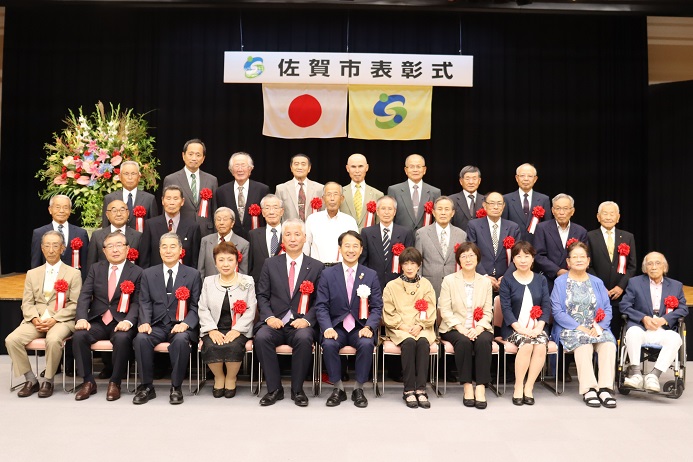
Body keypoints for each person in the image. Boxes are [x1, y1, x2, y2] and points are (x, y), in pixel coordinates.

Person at [254, 218, 324, 407]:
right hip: (274, 322)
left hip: (300, 323)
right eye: (288, 234)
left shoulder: (317, 266)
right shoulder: (270, 264)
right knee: (261, 338)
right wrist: (268, 317)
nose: (292, 238)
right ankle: (274, 389)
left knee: (303, 338)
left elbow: (321, 301)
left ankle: (297, 390)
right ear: (282, 239)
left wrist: (308, 321)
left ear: (304, 238)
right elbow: (262, 295)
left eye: (297, 234)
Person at [6, 231, 81, 398]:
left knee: (53, 340)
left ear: (63, 248)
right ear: (41, 248)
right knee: (11, 340)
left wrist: (54, 319)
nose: (51, 249)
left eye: (55, 245)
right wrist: (34, 318)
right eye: (47, 245)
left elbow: (75, 304)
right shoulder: (32, 273)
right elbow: (26, 302)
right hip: (37, 320)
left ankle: (48, 380)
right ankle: (31, 379)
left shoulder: (73, 274)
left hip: (61, 320)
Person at [314, 231, 383, 408]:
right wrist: (327, 328)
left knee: (367, 344)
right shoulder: (328, 274)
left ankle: (358, 389)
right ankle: (338, 388)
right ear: (340, 249)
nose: (350, 250)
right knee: (328, 344)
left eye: (355, 246)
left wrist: (369, 327)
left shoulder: (370, 275)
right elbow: (321, 305)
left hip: (360, 326)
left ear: (361, 250)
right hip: (336, 326)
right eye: (347, 245)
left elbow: (376, 307)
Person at [72, 231, 143, 401]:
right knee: (79, 336)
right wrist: (81, 317)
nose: (115, 249)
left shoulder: (137, 272)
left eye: (119, 245)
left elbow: (138, 302)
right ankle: (88, 381)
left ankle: (115, 382)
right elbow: (85, 295)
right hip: (98, 320)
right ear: (104, 251)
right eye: (110, 246)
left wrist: (128, 321)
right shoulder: (96, 268)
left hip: (121, 322)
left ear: (127, 249)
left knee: (122, 338)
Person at [133, 232, 201, 405]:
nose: (168, 251)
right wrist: (145, 322)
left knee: (180, 341)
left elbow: (195, 305)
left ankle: (176, 387)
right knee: (141, 339)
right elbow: (145, 302)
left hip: (180, 325)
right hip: (155, 324)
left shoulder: (192, 274)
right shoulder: (148, 274)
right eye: (164, 247)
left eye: (172, 247)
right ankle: (147, 387)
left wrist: (186, 324)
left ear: (180, 250)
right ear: (159, 250)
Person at [551, 241, 617, 408]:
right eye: (575, 257)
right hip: (571, 328)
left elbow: (607, 308)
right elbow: (557, 311)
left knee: (608, 344)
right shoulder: (560, 282)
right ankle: (589, 389)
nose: (579, 260)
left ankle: (605, 388)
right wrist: (578, 327)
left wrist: (599, 327)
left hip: (595, 327)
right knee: (584, 344)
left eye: (582, 257)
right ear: (568, 262)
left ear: (588, 261)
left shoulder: (597, 282)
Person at [620, 252, 688, 392]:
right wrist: (643, 318)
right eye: (649, 264)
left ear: (664, 267)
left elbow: (683, 309)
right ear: (645, 268)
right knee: (632, 332)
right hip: (641, 327)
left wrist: (665, 319)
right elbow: (624, 306)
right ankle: (636, 375)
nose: (653, 267)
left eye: (658, 263)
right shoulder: (635, 282)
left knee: (675, 338)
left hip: (663, 329)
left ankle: (654, 376)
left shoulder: (675, 285)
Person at [438, 242, 494, 409]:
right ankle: (467, 386)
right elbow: (445, 310)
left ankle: (481, 387)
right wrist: (460, 327)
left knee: (483, 341)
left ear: (477, 258)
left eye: (471, 255)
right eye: (464, 256)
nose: (468, 259)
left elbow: (488, 311)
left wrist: (478, 328)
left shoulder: (485, 282)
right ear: (458, 260)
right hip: (454, 327)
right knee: (463, 342)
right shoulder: (449, 281)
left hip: (479, 327)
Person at [198, 241, 257, 398]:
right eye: (221, 260)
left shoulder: (247, 281)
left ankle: (231, 378)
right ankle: (219, 377)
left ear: (237, 260)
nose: (226, 264)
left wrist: (237, 330)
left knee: (233, 345)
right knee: (211, 345)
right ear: (215, 262)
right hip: (214, 327)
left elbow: (251, 309)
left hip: (238, 328)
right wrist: (211, 329)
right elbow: (202, 308)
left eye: (230, 260)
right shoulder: (208, 282)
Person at [382, 247, 436, 409]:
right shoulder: (392, 286)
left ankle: (421, 389)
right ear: (401, 266)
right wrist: (403, 326)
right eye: (406, 264)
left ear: (419, 265)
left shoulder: (426, 284)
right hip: (399, 327)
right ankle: (408, 390)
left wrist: (420, 325)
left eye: (413, 263)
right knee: (409, 343)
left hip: (422, 325)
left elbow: (431, 308)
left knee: (422, 343)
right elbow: (388, 311)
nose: (410, 267)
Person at [498, 241, 550, 405]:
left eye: (526, 256)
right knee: (527, 345)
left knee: (541, 345)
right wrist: (520, 329)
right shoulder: (507, 280)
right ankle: (518, 386)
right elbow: (505, 308)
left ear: (533, 258)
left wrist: (540, 327)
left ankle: (529, 387)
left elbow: (546, 305)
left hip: (536, 327)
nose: (522, 260)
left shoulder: (541, 280)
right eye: (518, 256)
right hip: (514, 329)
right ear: (513, 259)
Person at [587, 201, 637, 337]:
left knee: (616, 329)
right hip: (598, 291)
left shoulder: (627, 237)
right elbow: (588, 265)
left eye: (612, 214)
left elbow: (632, 266)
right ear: (598, 217)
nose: (608, 217)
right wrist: (600, 286)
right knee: (596, 328)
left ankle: (615, 357)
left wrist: (621, 286)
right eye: (605, 213)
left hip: (619, 294)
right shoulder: (590, 236)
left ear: (618, 217)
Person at [162, 138, 218, 237]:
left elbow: (214, 209)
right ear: (183, 155)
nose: (194, 158)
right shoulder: (171, 179)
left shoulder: (212, 180)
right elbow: (166, 209)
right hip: (181, 230)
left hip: (206, 232)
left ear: (203, 158)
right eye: (190, 154)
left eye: (198, 155)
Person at [466, 192, 520, 293]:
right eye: (491, 203)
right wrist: (484, 276)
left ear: (503, 206)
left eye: (499, 203)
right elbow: (471, 253)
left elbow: (518, 255)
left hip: (507, 281)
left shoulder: (513, 227)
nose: (496, 207)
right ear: (484, 205)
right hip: (480, 280)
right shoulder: (474, 226)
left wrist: (506, 277)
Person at [533, 193, 588, 292]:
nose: (561, 212)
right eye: (558, 208)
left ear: (572, 211)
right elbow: (538, 255)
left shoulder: (581, 231)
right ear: (553, 211)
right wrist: (557, 271)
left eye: (566, 208)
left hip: (575, 280)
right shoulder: (542, 228)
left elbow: (585, 257)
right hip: (549, 280)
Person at [360, 195, 415, 290]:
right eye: (383, 208)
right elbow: (363, 261)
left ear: (395, 212)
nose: (386, 212)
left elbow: (410, 260)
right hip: (373, 284)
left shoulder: (405, 232)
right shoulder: (367, 233)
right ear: (377, 211)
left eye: (390, 209)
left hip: (399, 284)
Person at [415, 196, 466, 297]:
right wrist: (419, 286)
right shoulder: (422, 233)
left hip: (454, 287)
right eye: (439, 209)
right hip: (429, 286)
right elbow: (418, 263)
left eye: (447, 209)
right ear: (433, 212)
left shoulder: (461, 234)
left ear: (452, 213)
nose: (443, 213)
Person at [139, 185, 201, 268]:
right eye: (168, 198)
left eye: (175, 199)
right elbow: (144, 258)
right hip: (156, 276)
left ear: (182, 201)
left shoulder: (193, 226)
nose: (172, 202)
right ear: (162, 201)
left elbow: (195, 259)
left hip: (185, 277)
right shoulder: (150, 225)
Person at [30, 194, 89, 279]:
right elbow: (36, 263)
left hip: (73, 281)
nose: (61, 211)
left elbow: (85, 262)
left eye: (65, 207)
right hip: (48, 280)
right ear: (50, 210)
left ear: (70, 211)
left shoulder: (81, 233)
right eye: (57, 207)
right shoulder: (39, 233)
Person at [216, 151, 270, 240]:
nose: (240, 169)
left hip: (256, 238)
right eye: (236, 166)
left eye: (243, 165)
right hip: (230, 238)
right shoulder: (221, 191)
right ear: (231, 170)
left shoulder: (262, 189)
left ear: (250, 169)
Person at [304, 182, 358, 264]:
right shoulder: (312, 219)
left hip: (341, 269)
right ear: (323, 198)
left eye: (335, 194)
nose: (332, 198)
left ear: (342, 198)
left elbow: (355, 248)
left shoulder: (349, 221)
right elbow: (305, 246)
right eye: (328, 194)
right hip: (317, 269)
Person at [387, 154, 441, 232]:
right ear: (406, 170)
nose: (415, 170)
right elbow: (389, 216)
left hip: (426, 238)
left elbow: (437, 220)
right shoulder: (394, 190)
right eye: (412, 167)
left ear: (424, 170)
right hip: (401, 238)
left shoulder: (435, 192)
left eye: (418, 166)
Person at [501, 163, 552, 244]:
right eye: (522, 176)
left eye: (530, 176)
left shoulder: (544, 199)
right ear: (517, 178)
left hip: (537, 246)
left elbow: (548, 226)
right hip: (515, 246)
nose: (526, 179)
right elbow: (503, 225)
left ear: (535, 179)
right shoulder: (506, 199)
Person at [87, 199, 142, 274]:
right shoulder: (97, 236)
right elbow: (90, 264)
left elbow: (143, 264)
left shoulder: (138, 236)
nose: (119, 214)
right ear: (107, 214)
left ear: (128, 213)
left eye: (122, 210)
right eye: (114, 211)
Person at [102, 160, 158, 228]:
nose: (130, 178)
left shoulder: (149, 199)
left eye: (133, 174)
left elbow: (154, 227)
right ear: (120, 177)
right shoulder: (109, 198)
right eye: (126, 174)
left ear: (139, 177)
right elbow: (105, 228)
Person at [198, 207, 249, 278]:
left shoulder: (243, 244)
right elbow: (201, 270)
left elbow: (243, 273)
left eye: (225, 219)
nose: (221, 223)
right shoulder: (206, 241)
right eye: (218, 219)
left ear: (232, 223)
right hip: (209, 286)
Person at [339, 153, 384, 231]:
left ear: (367, 167)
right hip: (345, 239)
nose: (357, 171)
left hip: (369, 240)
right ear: (347, 168)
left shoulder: (378, 194)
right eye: (353, 167)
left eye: (360, 166)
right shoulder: (340, 193)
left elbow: (379, 224)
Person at [275, 153, 323, 222]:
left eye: (303, 164)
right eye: (296, 164)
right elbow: (277, 214)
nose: (300, 167)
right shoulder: (281, 189)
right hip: (289, 230)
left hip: (313, 230)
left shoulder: (320, 188)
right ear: (291, 168)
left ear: (309, 168)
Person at [248, 194, 284, 283]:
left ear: (282, 211)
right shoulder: (254, 234)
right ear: (263, 212)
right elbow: (250, 263)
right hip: (259, 284)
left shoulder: (289, 233)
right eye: (267, 208)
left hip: (283, 284)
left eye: (275, 208)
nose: (271, 212)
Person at [449, 165, 485, 233]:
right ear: (461, 181)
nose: (471, 182)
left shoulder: (486, 201)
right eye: (467, 179)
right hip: (459, 240)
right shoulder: (451, 200)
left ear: (479, 181)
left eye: (474, 178)